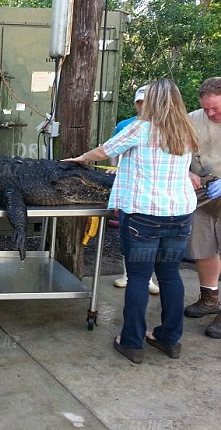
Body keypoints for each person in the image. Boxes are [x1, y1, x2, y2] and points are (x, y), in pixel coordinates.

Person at [64, 78, 198, 364]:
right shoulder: (186, 129)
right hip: (180, 215)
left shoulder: (141, 127)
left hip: (145, 216)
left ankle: (132, 343)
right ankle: (170, 340)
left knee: (138, 277)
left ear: (152, 101)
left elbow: (105, 151)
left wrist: (80, 158)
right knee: (171, 276)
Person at [109, 85, 160, 294]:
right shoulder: (125, 124)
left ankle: (149, 278)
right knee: (127, 234)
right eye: (139, 102)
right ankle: (127, 274)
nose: (142, 106)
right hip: (128, 189)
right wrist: (113, 168)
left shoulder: (164, 125)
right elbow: (111, 147)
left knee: (153, 240)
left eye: (145, 101)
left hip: (153, 193)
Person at [185, 77, 221, 339]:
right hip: (200, 193)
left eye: (216, 109)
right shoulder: (192, 119)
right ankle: (209, 297)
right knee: (203, 247)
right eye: (206, 108)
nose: (210, 114)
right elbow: (174, 150)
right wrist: (185, 171)